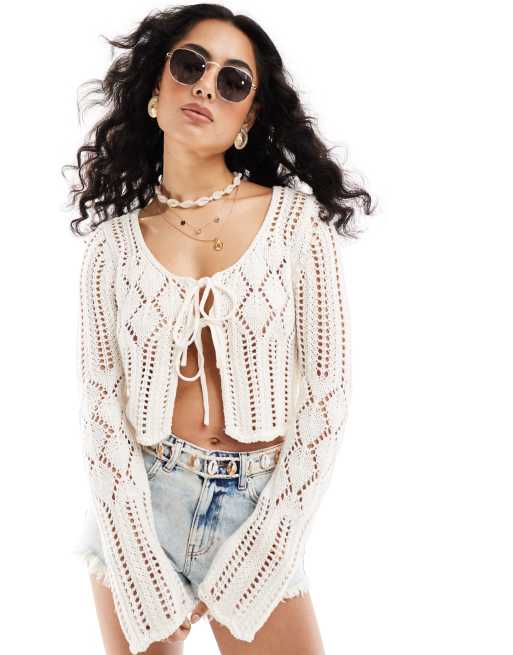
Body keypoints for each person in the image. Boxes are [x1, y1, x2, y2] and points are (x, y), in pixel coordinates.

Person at [65, 4, 374, 654]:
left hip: (257, 505)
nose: (206, 86)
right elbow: (99, 408)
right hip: (139, 504)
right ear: (156, 88)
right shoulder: (111, 248)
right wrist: (134, 556)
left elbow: (327, 397)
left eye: (234, 81)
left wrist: (271, 541)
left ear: (248, 118)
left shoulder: (295, 226)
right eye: (189, 65)